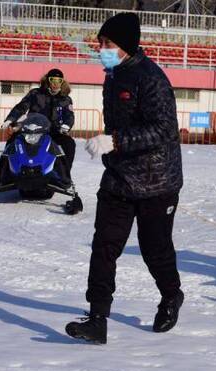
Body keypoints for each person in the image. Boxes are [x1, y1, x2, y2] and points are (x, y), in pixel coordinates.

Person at [65, 12, 184, 344]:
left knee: (154, 249)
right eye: (100, 43)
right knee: (104, 246)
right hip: (119, 178)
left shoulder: (152, 79)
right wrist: (108, 144)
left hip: (157, 181)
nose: (101, 48)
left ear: (127, 46)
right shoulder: (113, 76)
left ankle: (171, 295)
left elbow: (164, 129)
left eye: (108, 43)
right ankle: (97, 317)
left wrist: (115, 141)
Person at [2, 68, 76, 175]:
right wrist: (10, 119)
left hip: (54, 131)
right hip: (32, 129)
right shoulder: (35, 93)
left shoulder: (65, 99)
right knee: (12, 142)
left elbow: (69, 115)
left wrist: (66, 126)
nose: (55, 83)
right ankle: (5, 174)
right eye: (52, 80)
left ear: (62, 82)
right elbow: (21, 107)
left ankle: (64, 175)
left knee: (69, 144)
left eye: (58, 81)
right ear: (47, 80)